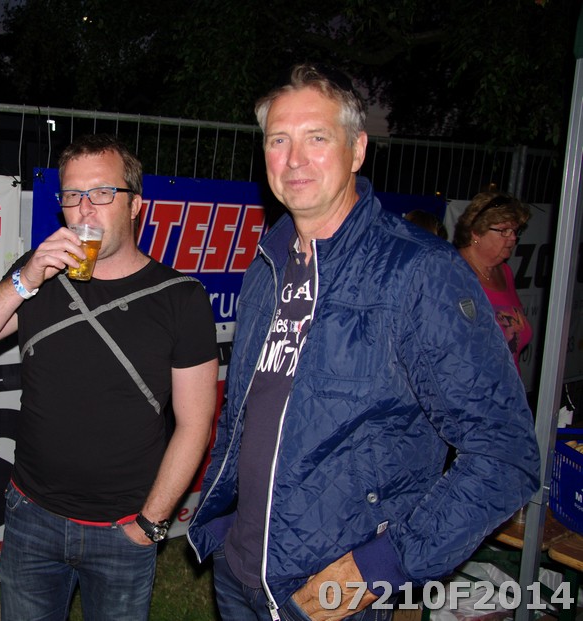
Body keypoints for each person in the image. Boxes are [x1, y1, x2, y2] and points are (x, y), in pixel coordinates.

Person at [186, 63, 540, 621]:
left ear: (357, 150)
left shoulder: (419, 272)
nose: (293, 158)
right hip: (239, 571)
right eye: (278, 140)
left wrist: (378, 567)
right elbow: (244, 416)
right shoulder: (266, 267)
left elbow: (505, 454)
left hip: (330, 591)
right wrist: (223, 522)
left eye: (316, 138)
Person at [0, 133, 219, 620]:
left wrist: (151, 523)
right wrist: (25, 280)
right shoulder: (38, 276)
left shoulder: (181, 299)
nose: (84, 209)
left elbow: (195, 424)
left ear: (135, 204)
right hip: (31, 515)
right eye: (73, 194)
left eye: (102, 192)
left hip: (124, 528)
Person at [453, 192, 533, 372]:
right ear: (476, 232)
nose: (513, 238)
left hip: (508, 386)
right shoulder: (455, 272)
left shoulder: (505, 272)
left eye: (515, 231)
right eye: (504, 230)